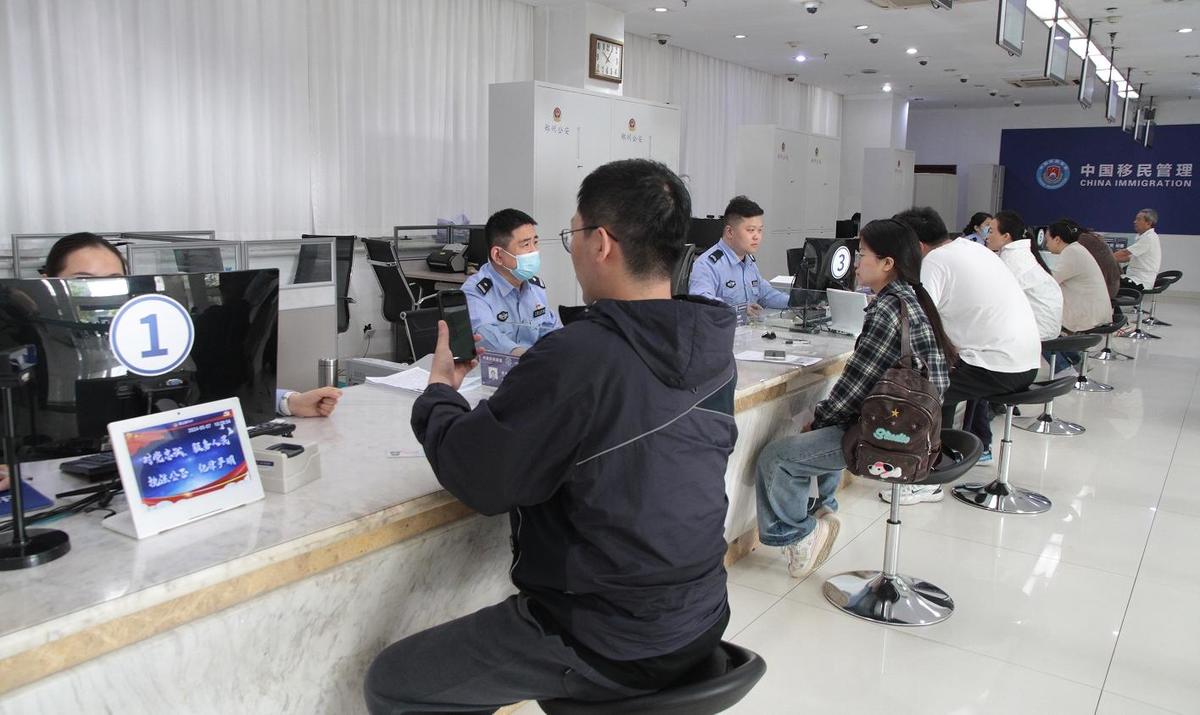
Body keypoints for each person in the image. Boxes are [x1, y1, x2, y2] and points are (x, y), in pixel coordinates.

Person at [364, 159, 738, 713]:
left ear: (601, 243)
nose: (565, 249)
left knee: (392, 682)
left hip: (608, 633)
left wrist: (439, 393)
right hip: (701, 613)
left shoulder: (580, 356)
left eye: (571, 234)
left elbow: (478, 475)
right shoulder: (712, 344)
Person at [755, 219, 952, 577]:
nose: (856, 263)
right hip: (919, 433)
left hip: (894, 439)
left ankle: (800, 536)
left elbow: (853, 388)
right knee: (830, 426)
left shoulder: (887, 309)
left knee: (777, 458)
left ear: (887, 263)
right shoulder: (911, 300)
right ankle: (824, 509)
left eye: (862, 255)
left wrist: (820, 418)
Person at [41, 233, 341, 418]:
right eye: (83, 280)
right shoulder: (37, 346)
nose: (101, 291)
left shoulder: (146, 337)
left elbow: (205, 394)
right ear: (47, 280)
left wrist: (290, 402)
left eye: (113, 281)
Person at [896, 207, 1040, 494]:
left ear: (917, 245)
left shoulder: (935, 261)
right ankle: (941, 460)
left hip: (998, 366)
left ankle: (927, 481)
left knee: (924, 390)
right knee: (941, 374)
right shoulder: (973, 249)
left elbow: (915, 319)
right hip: (1024, 361)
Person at [461, 209, 561, 356]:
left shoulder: (535, 287)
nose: (534, 251)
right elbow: (489, 339)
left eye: (535, 242)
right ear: (498, 255)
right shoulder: (475, 292)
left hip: (534, 365)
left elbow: (551, 330)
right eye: (525, 245)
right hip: (497, 367)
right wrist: (533, 359)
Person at [689, 195, 790, 319]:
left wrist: (797, 302)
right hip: (722, 330)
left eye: (759, 230)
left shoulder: (749, 262)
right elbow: (701, 303)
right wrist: (738, 309)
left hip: (750, 329)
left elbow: (766, 294)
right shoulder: (707, 265)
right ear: (730, 232)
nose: (757, 236)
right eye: (751, 230)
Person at [985, 211, 1063, 342]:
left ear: (1006, 236)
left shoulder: (1014, 260)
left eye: (991, 231)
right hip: (1045, 328)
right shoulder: (1019, 254)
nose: (987, 236)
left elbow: (996, 298)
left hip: (1037, 331)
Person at [1045, 220, 1113, 334]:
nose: (1046, 245)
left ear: (1057, 239)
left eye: (1047, 240)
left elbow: (1050, 282)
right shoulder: (1076, 248)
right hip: (1097, 311)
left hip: (1089, 316)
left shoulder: (1071, 252)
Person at [1114, 208, 1162, 291]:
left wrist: (1104, 258)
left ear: (1148, 223)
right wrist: (1111, 260)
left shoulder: (1149, 238)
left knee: (1107, 282)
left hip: (1140, 282)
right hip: (1134, 278)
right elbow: (1128, 258)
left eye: (1138, 219)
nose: (1135, 222)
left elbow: (1125, 253)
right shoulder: (1144, 237)